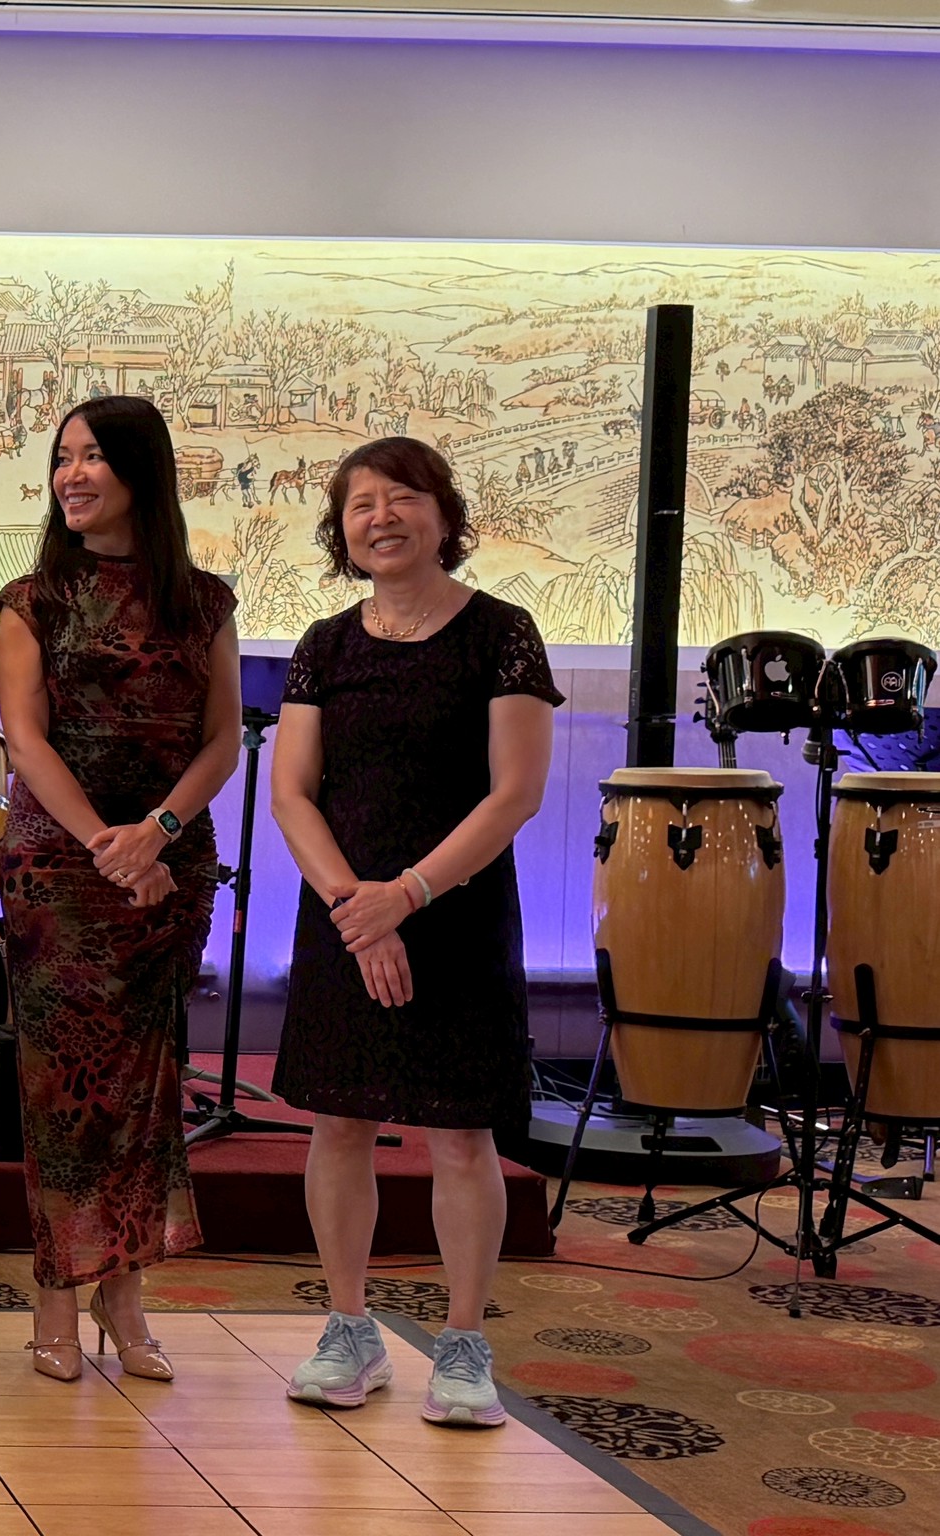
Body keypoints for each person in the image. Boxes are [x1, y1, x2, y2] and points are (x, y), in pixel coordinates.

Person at [270, 436, 561, 1428]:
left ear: (444, 516)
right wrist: (358, 910)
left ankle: (464, 1344)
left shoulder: (500, 634)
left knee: (460, 1136)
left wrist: (408, 895)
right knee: (338, 1124)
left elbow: (514, 793)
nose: (380, 518)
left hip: (456, 913)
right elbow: (292, 794)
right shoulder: (324, 645)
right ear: (340, 530)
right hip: (344, 913)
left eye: (401, 498)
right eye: (359, 504)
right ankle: (348, 1330)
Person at [0, 396, 239, 1384]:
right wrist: (105, 842)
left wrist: (157, 833)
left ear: (141, 469)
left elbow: (221, 739)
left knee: (145, 1089)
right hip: (60, 867)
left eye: (92, 455)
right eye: (62, 458)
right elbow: (23, 738)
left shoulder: (203, 601)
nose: (72, 474)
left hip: (167, 866)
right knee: (61, 1093)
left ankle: (122, 1291)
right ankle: (56, 1292)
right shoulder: (31, 598)